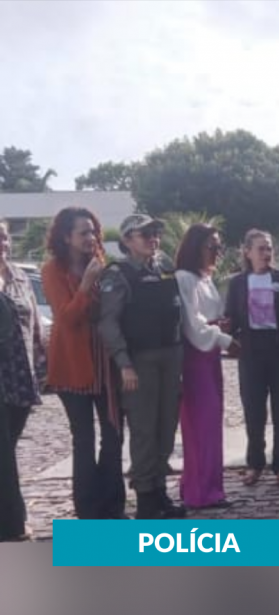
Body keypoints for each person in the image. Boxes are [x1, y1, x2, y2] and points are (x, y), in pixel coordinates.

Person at [98, 214, 186, 520]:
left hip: (170, 357)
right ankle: (146, 499)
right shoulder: (118, 274)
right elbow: (108, 324)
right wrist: (124, 364)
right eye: (144, 234)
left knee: (166, 428)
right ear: (127, 240)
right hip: (140, 361)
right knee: (145, 431)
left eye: (155, 233)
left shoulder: (164, 267)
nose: (153, 239)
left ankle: (160, 491)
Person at [42, 208, 127, 520]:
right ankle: (88, 511)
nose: (91, 238)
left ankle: (112, 506)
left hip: (106, 365)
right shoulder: (52, 270)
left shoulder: (101, 265)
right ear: (66, 237)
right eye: (83, 232)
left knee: (114, 434)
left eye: (93, 231)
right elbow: (66, 318)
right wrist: (85, 285)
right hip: (73, 367)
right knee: (84, 439)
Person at [225, 229, 279, 487]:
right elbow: (231, 317)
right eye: (261, 248)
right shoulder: (237, 283)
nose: (266, 253)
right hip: (251, 351)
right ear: (247, 252)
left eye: (269, 248)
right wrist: (226, 327)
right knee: (254, 410)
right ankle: (255, 464)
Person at [175, 224, 236, 509]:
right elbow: (193, 324)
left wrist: (222, 326)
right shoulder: (184, 278)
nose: (216, 252)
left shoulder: (205, 278)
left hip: (210, 357)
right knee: (201, 425)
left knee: (211, 424)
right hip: (195, 359)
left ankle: (207, 485)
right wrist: (225, 339)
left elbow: (210, 317)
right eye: (212, 247)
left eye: (219, 247)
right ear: (196, 247)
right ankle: (200, 492)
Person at [0, 222, 45, 540]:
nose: (2, 243)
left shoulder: (18, 276)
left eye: (4, 237)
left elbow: (35, 322)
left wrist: (42, 360)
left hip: (20, 377)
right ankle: (13, 525)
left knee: (8, 449)